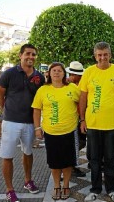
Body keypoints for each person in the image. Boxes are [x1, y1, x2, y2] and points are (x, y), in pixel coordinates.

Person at [0, 44, 45, 202]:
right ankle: (9, 189)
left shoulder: (40, 77)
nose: (31, 57)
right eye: (28, 54)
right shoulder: (9, 73)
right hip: (10, 122)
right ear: (20, 55)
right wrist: (8, 111)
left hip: (30, 122)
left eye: (33, 54)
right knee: (7, 156)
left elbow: (40, 100)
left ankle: (28, 181)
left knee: (28, 153)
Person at [79, 42, 114, 202]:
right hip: (92, 124)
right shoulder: (89, 72)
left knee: (111, 159)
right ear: (95, 56)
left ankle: (112, 189)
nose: (102, 57)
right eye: (99, 55)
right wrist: (83, 119)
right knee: (94, 160)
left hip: (113, 124)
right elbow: (83, 98)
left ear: (110, 55)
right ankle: (95, 189)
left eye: (105, 54)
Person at [32, 62, 80, 200]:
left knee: (67, 161)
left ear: (64, 73)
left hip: (69, 131)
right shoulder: (43, 90)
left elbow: (82, 102)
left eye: (59, 70)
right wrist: (37, 128)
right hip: (51, 132)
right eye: (54, 70)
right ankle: (56, 186)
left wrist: (81, 119)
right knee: (54, 162)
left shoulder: (72, 88)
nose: (57, 72)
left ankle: (66, 186)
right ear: (49, 73)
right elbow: (36, 109)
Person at [66, 61, 86, 177]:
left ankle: (72, 164)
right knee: (76, 143)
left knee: (81, 142)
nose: (70, 76)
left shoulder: (83, 85)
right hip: (73, 118)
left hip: (83, 117)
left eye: (73, 74)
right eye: (70, 74)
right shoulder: (68, 85)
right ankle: (71, 166)